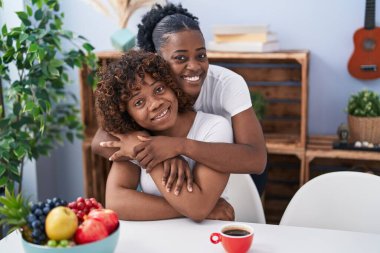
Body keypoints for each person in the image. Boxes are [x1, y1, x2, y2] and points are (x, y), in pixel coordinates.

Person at [92, 3, 268, 195]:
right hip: (183, 185)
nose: (194, 66)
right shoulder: (151, 91)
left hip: (232, 171)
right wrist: (162, 155)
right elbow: (99, 142)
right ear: (156, 59)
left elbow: (256, 160)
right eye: (180, 58)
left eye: (201, 55)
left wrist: (178, 147)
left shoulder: (227, 84)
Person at [95, 50, 234, 221]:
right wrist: (153, 153)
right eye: (139, 102)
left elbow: (198, 207)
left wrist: (147, 151)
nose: (155, 103)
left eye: (159, 89)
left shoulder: (214, 127)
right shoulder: (133, 139)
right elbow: (116, 202)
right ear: (128, 114)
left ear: (172, 85)